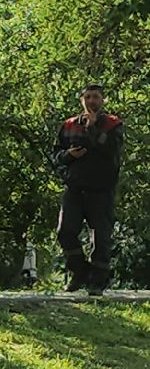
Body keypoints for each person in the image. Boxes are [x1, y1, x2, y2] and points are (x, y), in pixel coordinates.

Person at [54, 83, 125, 295]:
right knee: (65, 232)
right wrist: (68, 156)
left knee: (101, 237)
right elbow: (55, 156)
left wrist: (93, 128)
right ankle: (80, 272)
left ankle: (97, 282)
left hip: (101, 189)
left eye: (96, 97)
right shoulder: (69, 125)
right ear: (82, 100)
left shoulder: (113, 124)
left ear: (102, 100)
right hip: (75, 188)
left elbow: (111, 150)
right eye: (88, 97)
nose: (92, 101)